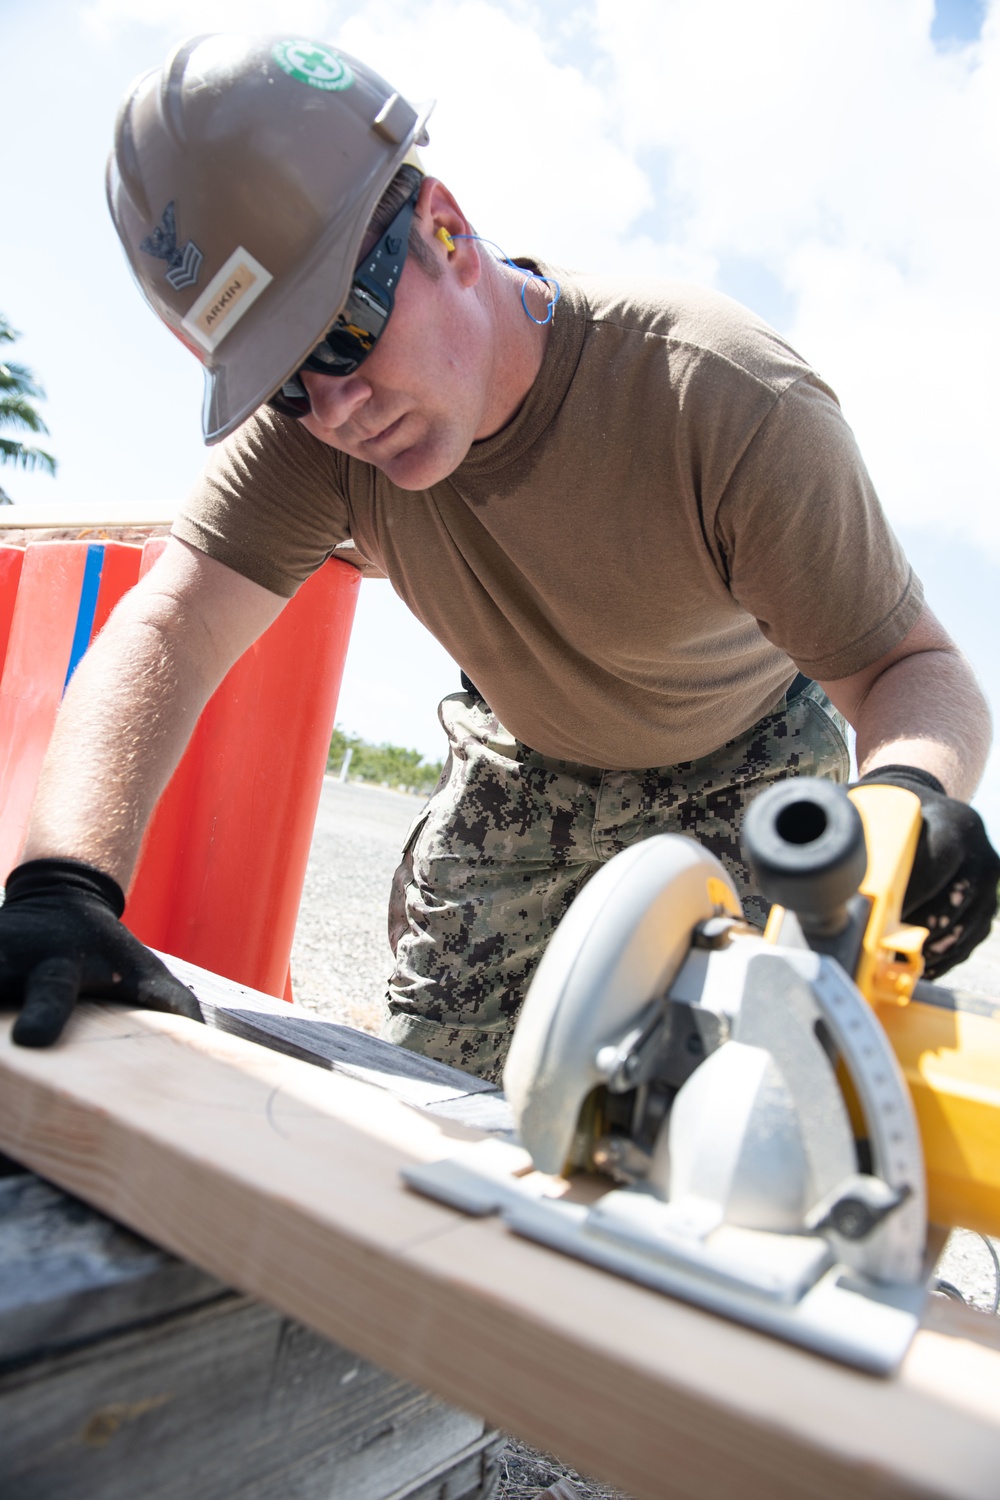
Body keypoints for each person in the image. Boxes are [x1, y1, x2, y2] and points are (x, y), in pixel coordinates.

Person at [1, 35, 996, 1074]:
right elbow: (173, 625)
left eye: (343, 330)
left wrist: (905, 807)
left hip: (744, 760)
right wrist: (63, 886)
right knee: (430, 1099)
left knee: (740, 1117)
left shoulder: (716, 394)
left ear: (444, 232)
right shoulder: (315, 435)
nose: (335, 406)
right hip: (523, 768)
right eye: (285, 376)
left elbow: (912, 671)